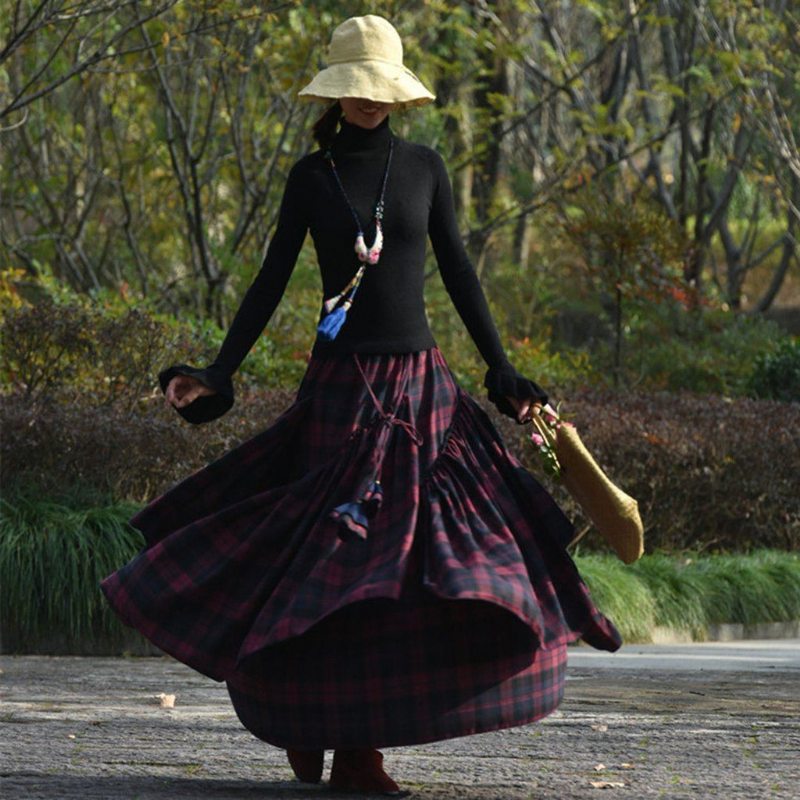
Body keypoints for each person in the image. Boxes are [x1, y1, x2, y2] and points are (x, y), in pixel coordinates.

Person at [101, 14, 621, 796]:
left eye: (381, 90)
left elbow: (459, 273)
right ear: (335, 94)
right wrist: (220, 369)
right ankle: (316, 727)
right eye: (356, 89)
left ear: (397, 95)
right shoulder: (311, 178)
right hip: (341, 396)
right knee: (335, 567)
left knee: (412, 572)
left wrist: (503, 369)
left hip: (424, 393)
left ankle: (357, 750)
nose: (370, 103)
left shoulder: (424, 166)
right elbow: (270, 280)